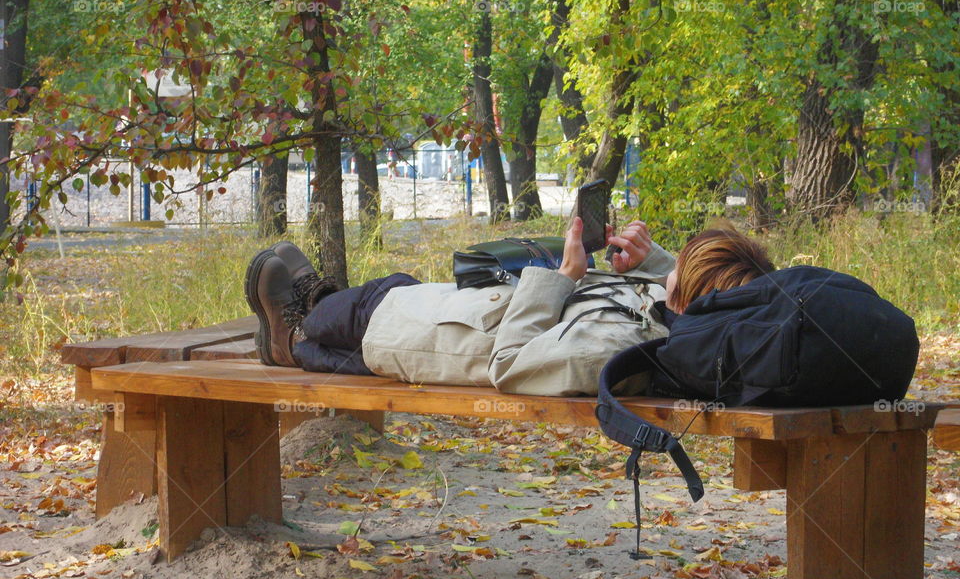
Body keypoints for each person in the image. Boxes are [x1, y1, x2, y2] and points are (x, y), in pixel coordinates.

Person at [245, 219, 774, 397]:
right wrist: (652, 260)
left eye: (682, 264)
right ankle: (311, 304)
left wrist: (561, 278)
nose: (674, 261)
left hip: (426, 337)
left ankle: (289, 336)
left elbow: (511, 366)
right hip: (452, 305)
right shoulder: (687, 313)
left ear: (689, 296)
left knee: (333, 324)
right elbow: (673, 302)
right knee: (380, 290)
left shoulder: (615, 351)